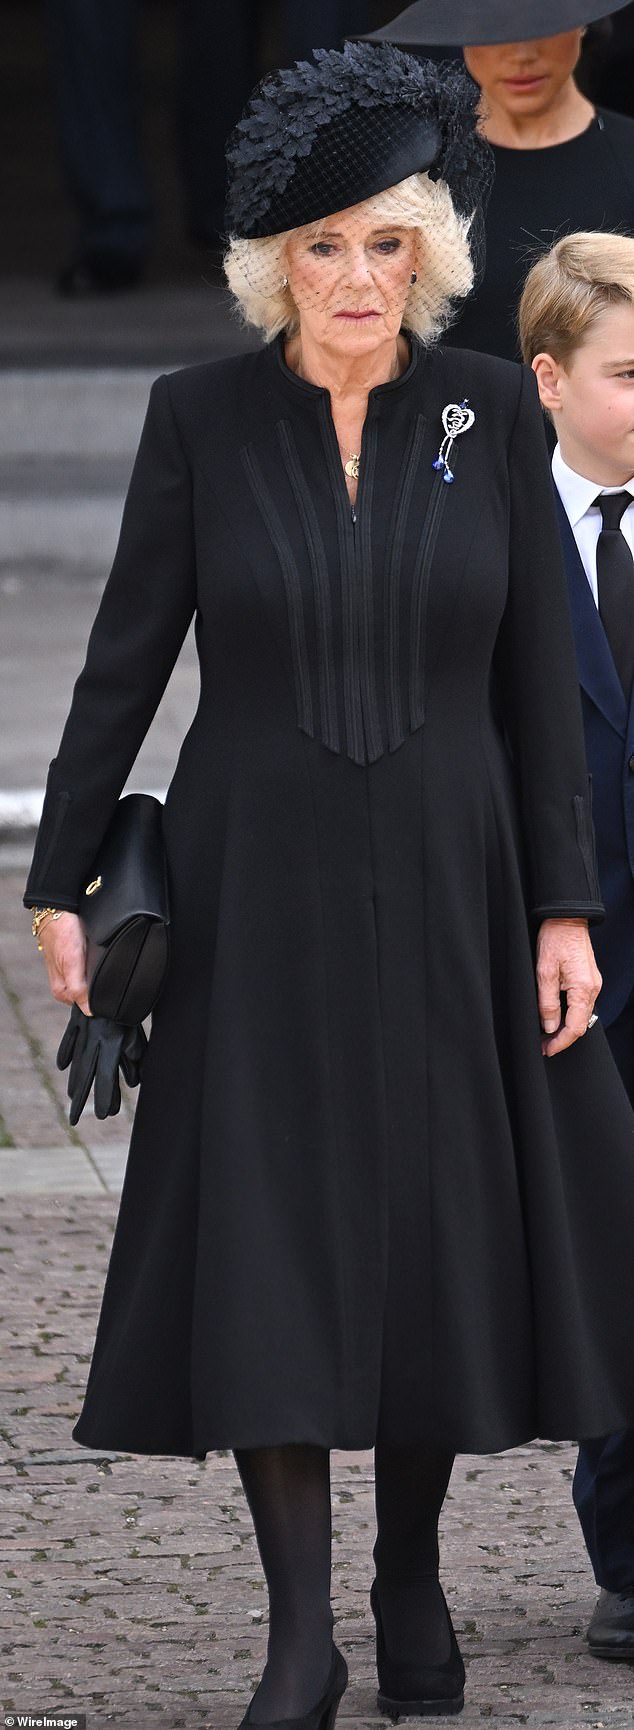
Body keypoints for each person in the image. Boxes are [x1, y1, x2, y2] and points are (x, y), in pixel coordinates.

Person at [23, 40, 634, 1730]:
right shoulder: (195, 421)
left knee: (429, 1239)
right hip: (252, 889)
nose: (354, 277)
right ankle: (303, 1633)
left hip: (457, 874)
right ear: (267, 268)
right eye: (318, 248)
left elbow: (534, 690)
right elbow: (120, 664)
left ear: (428, 249)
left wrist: (562, 910)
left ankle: (410, 1571)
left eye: (380, 242)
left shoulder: (486, 415)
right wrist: (60, 878)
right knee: (276, 1246)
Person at [519, 231, 634, 1665]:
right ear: (545, 379)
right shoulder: (491, 536)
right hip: (566, 949)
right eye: (626, 374)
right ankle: (621, 1535)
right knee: (604, 1249)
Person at [362, 0, 634, 360]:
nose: (521, 54)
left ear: (582, 21)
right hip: (448, 413)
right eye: (495, 28)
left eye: (542, 24)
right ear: (462, 31)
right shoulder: (413, 169)